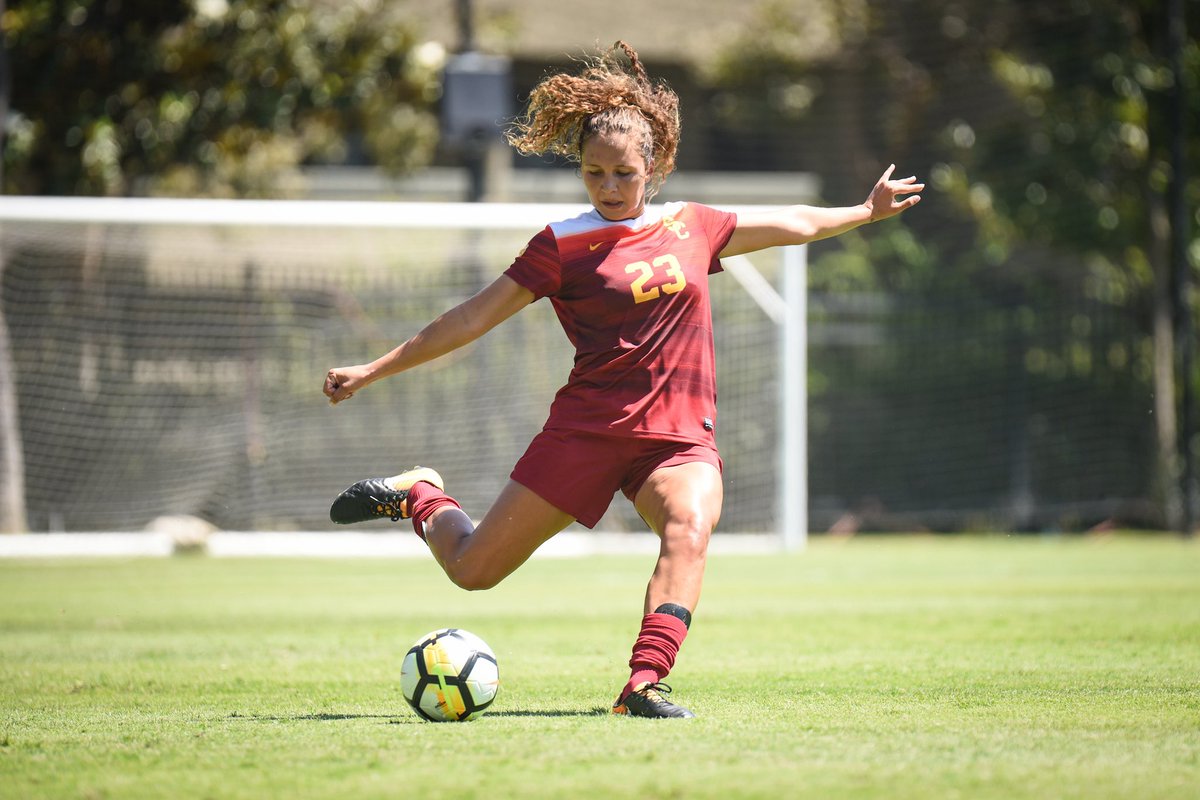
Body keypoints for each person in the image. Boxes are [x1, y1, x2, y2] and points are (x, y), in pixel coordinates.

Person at [323, 41, 922, 719]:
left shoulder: (692, 226)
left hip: (675, 441)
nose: (609, 188)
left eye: (624, 175)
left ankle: (643, 684)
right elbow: (469, 319)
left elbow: (794, 223)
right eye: (594, 173)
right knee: (473, 572)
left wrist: (864, 212)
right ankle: (420, 496)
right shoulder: (561, 245)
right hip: (587, 430)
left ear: (656, 169)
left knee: (690, 526)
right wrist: (374, 369)